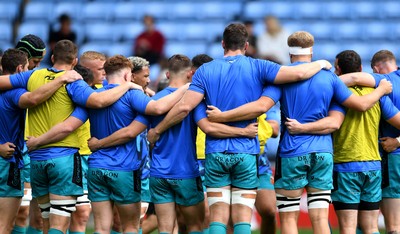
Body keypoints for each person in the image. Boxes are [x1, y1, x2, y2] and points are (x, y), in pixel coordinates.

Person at [145, 23, 334, 234]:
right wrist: (321, 64)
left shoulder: (205, 70)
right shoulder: (259, 66)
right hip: (246, 153)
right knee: (243, 216)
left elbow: (184, 107)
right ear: (246, 45)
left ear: (223, 44)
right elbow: (298, 74)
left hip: (216, 153)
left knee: (217, 217)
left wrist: (158, 130)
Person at [203, 31, 392, 234]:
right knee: (320, 218)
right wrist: (381, 89)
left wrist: (222, 116)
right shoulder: (329, 78)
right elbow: (360, 105)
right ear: (312, 50)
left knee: (289, 218)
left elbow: (260, 106)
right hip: (322, 153)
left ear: (290, 51)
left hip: (292, 152)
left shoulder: (283, 78)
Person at [0, 40, 143, 234]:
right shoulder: (75, 82)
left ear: (51, 58)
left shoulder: (33, 75)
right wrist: (127, 86)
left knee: (46, 222)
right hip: (63, 159)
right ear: (75, 61)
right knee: (59, 225)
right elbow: (98, 101)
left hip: (36, 159)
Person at [286, 50, 400, 234]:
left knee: (348, 228)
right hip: (373, 166)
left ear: (337, 69)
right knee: (371, 227)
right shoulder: (378, 96)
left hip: (345, 166)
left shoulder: (335, 94)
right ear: (362, 68)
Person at [0, 48, 82, 234]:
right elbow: (33, 98)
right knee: (4, 226)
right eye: (30, 67)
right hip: (8, 162)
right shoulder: (15, 93)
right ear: (21, 68)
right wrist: (61, 78)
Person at [14, 34, 47, 234]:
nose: (37, 66)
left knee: (36, 214)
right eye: (35, 61)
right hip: (12, 150)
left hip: (31, 148)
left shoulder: (36, 78)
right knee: (19, 211)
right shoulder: (11, 78)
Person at [192, 53, 213, 234]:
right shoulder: (188, 94)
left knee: (209, 213)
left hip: (212, 156)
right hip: (192, 159)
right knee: (190, 216)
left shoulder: (218, 94)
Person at [255, 104, 280, 234]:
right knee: (231, 218)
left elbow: (275, 129)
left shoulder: (264, 99)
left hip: (259, 163)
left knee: (269, 210)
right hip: (229, 159)